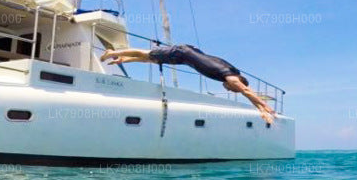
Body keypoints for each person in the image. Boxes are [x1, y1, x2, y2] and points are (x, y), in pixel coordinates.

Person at [101, 44, 276, 125]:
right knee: (146, 53)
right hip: (183, 53)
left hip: (186, 56)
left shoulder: (232, 72)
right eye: (233, 90)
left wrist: (260, 108)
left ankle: (123, 58)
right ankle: (112, 52)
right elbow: (246, 91)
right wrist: (266, 107)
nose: (230, 90)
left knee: (152, 59)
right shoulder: (232, 78)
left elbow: (247, 91)